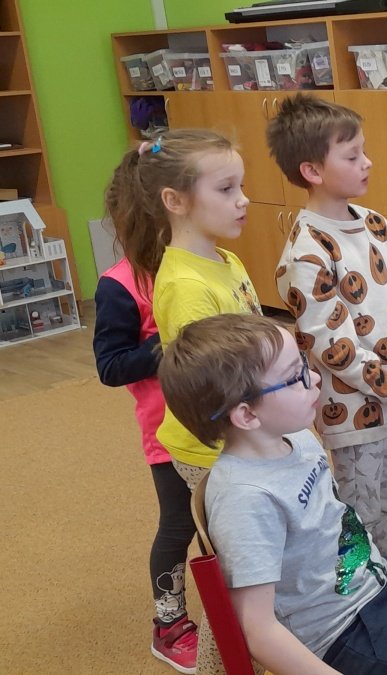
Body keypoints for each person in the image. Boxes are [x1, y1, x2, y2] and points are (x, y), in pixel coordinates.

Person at [157, 313, 387, 675]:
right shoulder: (244, 499)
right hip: (342, 630)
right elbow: (258, 631)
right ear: (247, 416)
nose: (315, 378)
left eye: (304, 365)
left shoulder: (295, 436)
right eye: (295, 377)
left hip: (374, 576)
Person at [270, 94, 387, 558]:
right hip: (353, 414)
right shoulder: (307, 252)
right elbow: (333, 349)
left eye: (364, 151)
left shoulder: (376, 224)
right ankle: (373, 587)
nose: (368, 162)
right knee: (361, 514)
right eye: (352, 156)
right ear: (312, 171)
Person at [106, 129, 261, 489]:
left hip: (243, 428)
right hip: (218, 446)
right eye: (226, 189)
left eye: (240, 186)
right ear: (175, 201)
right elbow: (210, 383)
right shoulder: (185, 286)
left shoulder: (226, 260)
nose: (244, 200)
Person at [93, 256, 196, 674]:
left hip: (223, 417)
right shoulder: (119, 284)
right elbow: (110, 365)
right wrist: (169, 343)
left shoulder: (197, 262)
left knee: (233, 516)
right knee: (179, 524)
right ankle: (169, 626)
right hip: (168, 431)